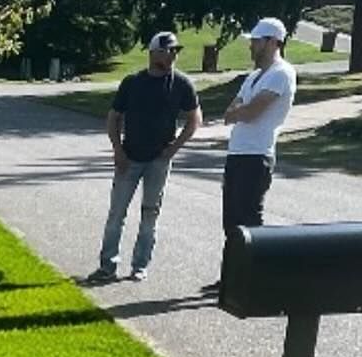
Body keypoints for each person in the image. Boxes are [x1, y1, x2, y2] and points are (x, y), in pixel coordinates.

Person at [87, 31, 202, 284]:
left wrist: (173, 149)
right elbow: (113, 118)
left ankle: (140, 265)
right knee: (117, 213)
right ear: (153, 53)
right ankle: (108, 266)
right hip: (129, 157)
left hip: (159, 161)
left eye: (175, 51)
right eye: (167, 50)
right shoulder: (133, 82)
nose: (173, 55)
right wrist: (117, 150)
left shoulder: (181, 83)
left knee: (150, 214)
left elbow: (195, 119)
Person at [201, 17, 297, 295]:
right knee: (231, 221)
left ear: (272, 42)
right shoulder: (254, 77)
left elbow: (253, 112)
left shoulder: (282, 73)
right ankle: (232, 276)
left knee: (249, 220)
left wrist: (239, 112)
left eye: (256, 41)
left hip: (257, 156)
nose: (251, 46)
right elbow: (231, 111)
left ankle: (257, 278)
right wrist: (238, 111)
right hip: (237, 153)